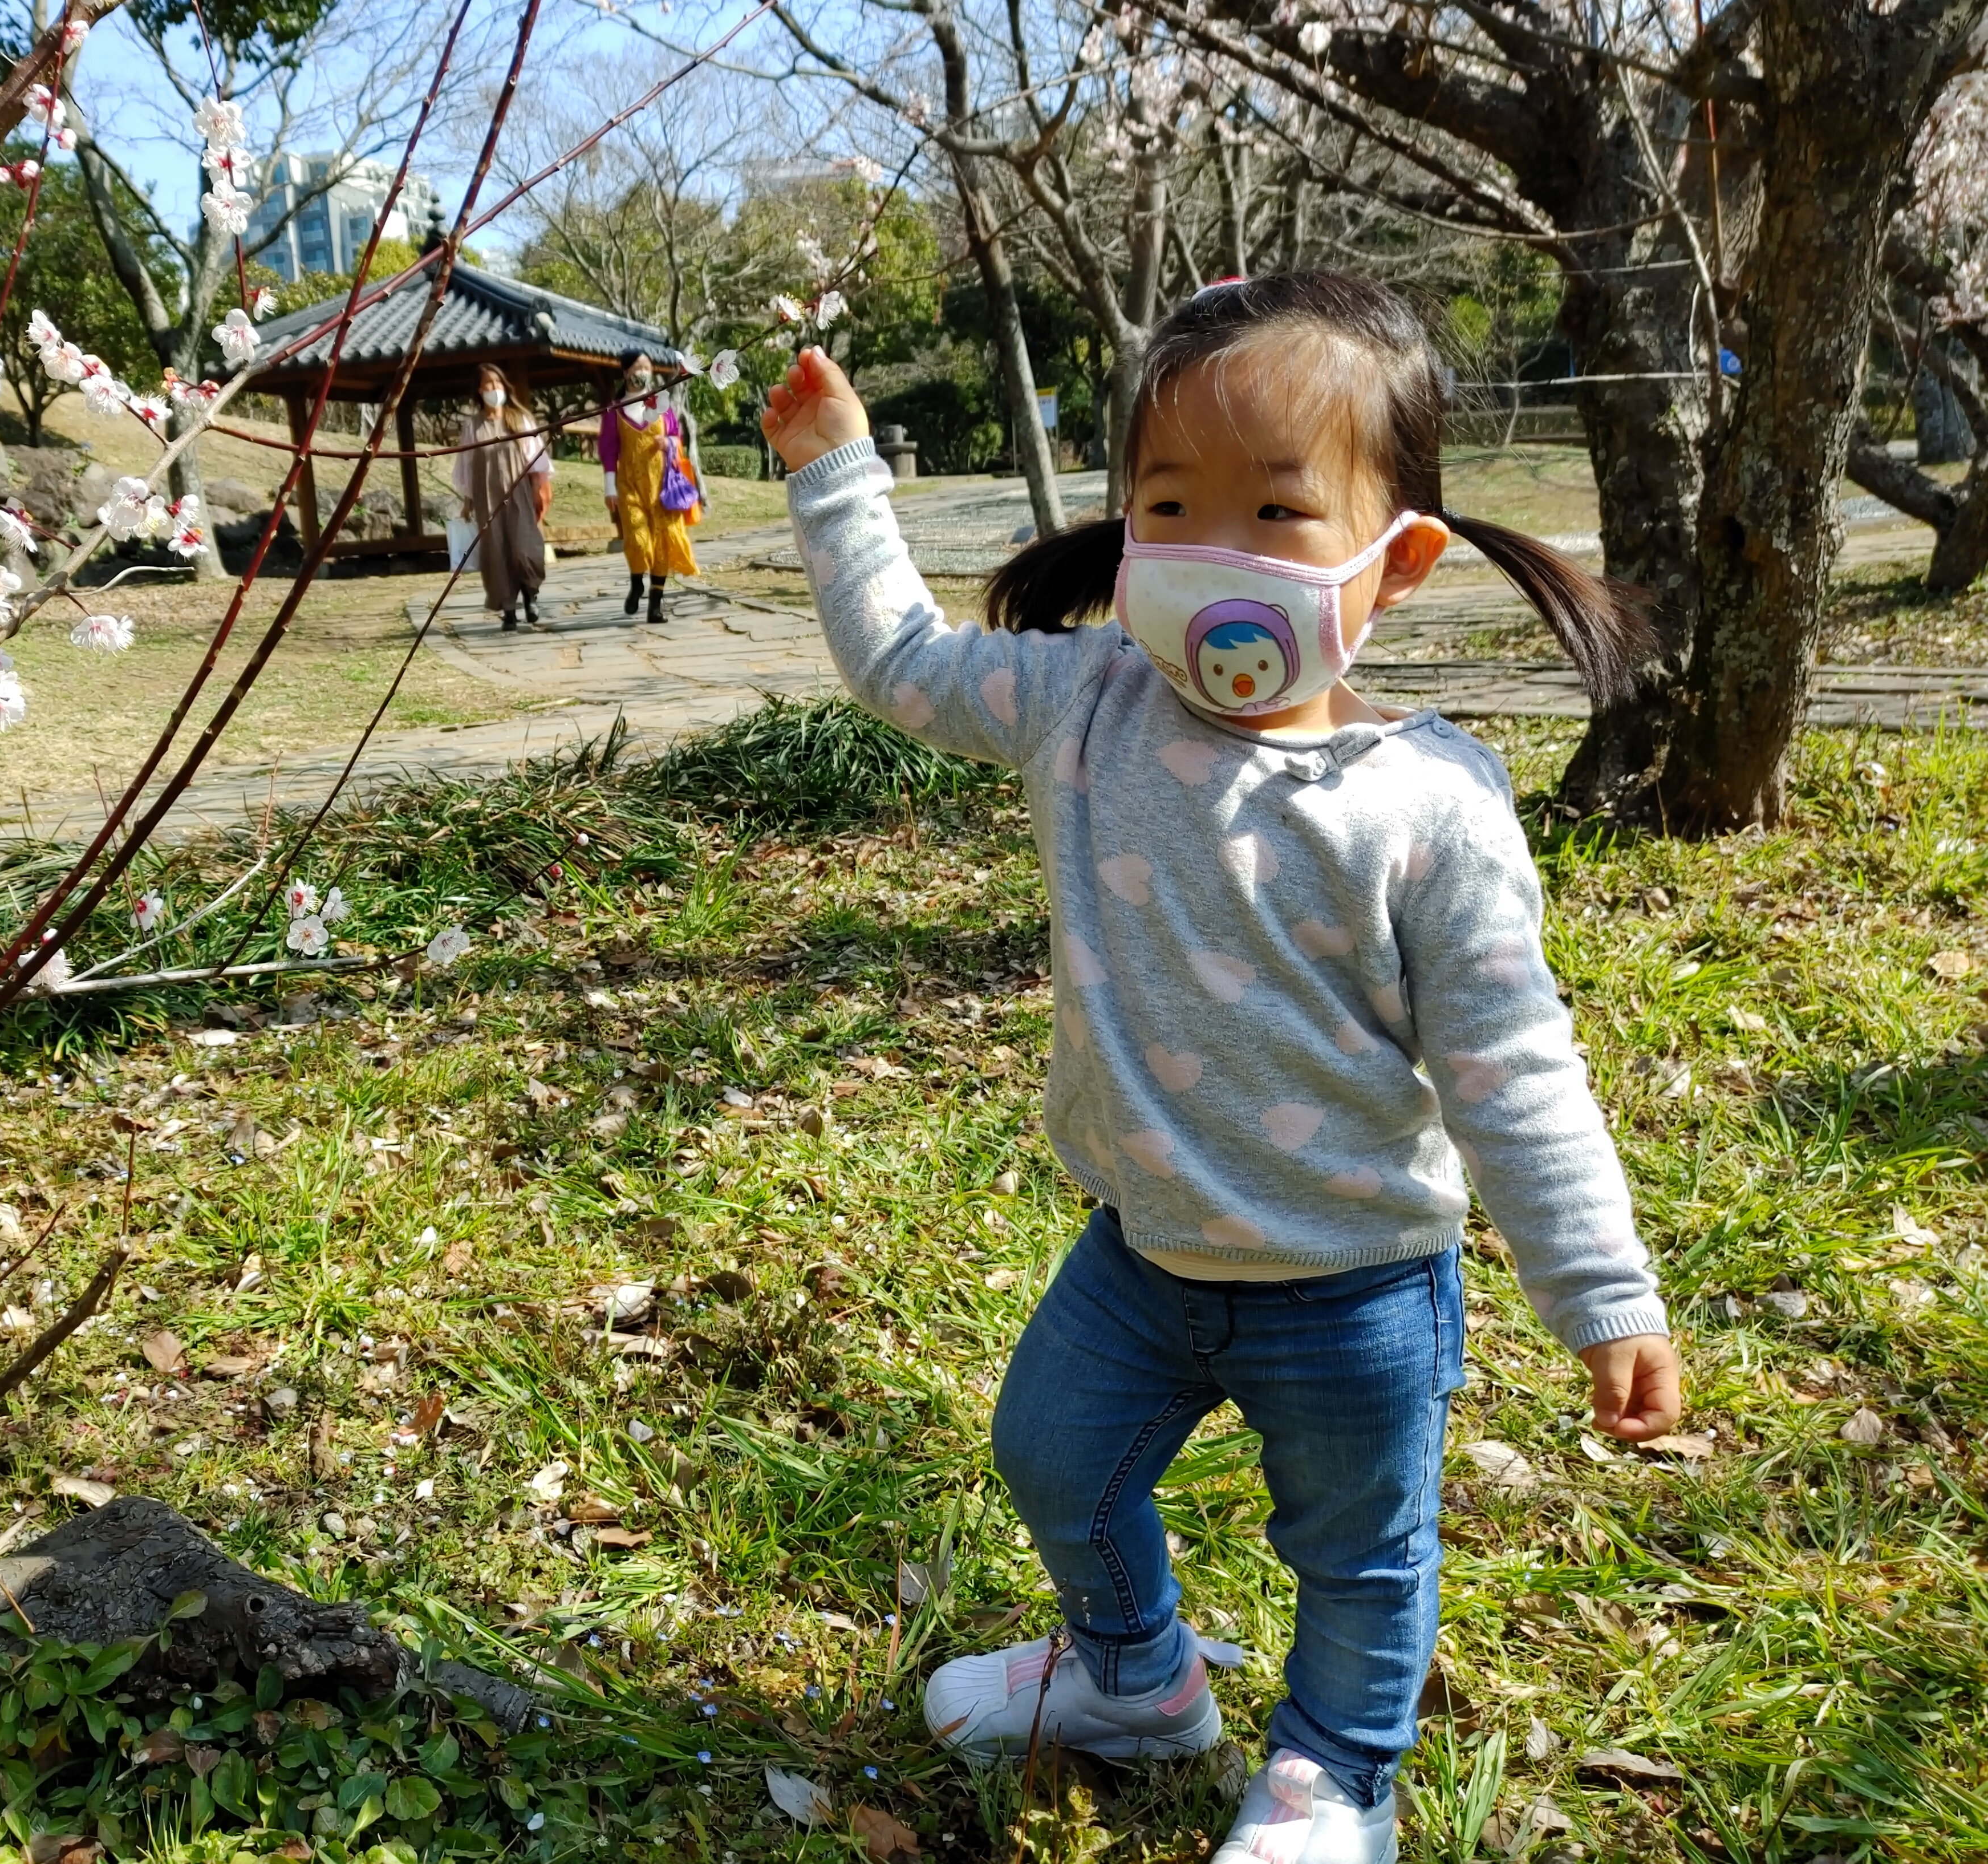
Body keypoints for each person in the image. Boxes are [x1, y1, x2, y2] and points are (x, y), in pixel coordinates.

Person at [758, 272, 1682, 1864]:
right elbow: (903, 663)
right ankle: (1135, 1676)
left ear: (1392, 563)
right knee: (1050, 1450)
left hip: (1358, 1278)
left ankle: (1336, 1777)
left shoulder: (1427, 804)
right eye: (1171, 507)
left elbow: (1513, 1070)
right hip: (1140, 1250)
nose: (1214, 558)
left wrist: (1602, 1290)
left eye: (1275, 510)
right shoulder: (1084, 704)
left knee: (1358, 1554)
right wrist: (834, 472)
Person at [598, 349, 701, 623]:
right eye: (636, 368)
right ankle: (636, 582)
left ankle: (655, 605)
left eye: (646, 367)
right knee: (639, 540)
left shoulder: (663, 405)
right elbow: (609, 451)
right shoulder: (615, 410)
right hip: (630, 486)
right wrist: (610, 487)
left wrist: (668, 444)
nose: (642, 372)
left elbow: (676, 438)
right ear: (625, 373)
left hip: (663, 487)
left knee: (662, 544)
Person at [453, 363, 551, 631]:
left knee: (524, 547)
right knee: (496, 552)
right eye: (488, 384)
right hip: (487, 497)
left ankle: (531, 595)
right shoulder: (473, 426)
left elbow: (537, 459)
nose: (494, 389)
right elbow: (466, 464)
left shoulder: (520, 419)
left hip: (519, 493)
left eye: (497, 383)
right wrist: (468, 500)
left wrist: (537, 489)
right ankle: (508, 609)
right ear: (479, 389)